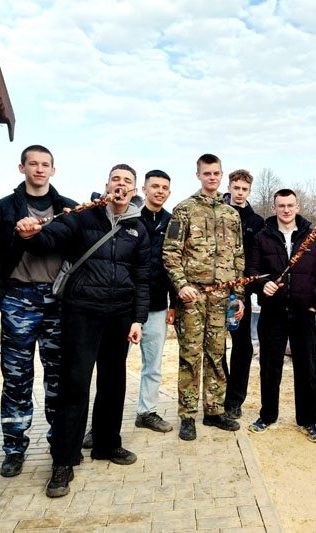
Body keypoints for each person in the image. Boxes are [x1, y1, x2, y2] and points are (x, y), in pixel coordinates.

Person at [15, 163, 150, 498]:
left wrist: (137, 319)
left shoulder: (138, 228)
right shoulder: (83, 216)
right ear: (107, 186)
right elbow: (50, 239)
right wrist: (31, 234)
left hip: (119, 316)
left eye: (128, 181)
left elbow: (142, 277)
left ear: (134, 191)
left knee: (113, 382)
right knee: (74, 386)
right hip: (82, 313)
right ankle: (64, 460)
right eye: (116, 179)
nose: (121, 185)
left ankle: (107, 443)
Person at [0, 145, 76, 478]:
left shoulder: (68, 209)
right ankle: (14, 447)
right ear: (22, 168)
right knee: (16, 378)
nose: (39, 169)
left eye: (45, 164)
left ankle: (58, 444)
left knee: (58, 377)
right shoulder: (3, 210)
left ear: (53, 170)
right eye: (33, 163)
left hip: (57, 301)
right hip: (18, 298)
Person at [163, 153, 245, 441]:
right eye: (207, 173)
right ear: (198, 175)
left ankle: (214, 410)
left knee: (217, 354)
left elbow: (238, 256)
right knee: (190, 355)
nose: (212, 177)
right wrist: (181, 285)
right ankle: (187, 415)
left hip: (222, 296)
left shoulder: (231, 214)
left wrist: (239, 295)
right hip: (193, 296)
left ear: (221, 175)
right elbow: (170, 253)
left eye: (216, 173)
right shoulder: (184, 210)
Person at [246, 189, 316, 442]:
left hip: (304, 313)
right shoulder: (262, 237)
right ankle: (267, 416)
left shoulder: (313, 237)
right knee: (270, 367)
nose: (286, 210)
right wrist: (262, 285)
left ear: (297, 206)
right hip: (273, 312)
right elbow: (251, 271)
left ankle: (309, 420)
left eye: (290, 205)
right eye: (281, 205)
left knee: (307, 368)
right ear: (274, 208)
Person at [135, 170, 176, 433]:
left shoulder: (172, 223)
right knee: (111, 365)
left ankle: (146, 412)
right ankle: (104, 420)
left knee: (153, 364)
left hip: (157, 304)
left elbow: (175, 265)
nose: (160, 191)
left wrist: (174, 304)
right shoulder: (130, 218)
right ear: (144, 189)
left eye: (164, 188)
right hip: (125, 304)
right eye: (155, 186)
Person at [223, 169, 264, 419]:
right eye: (236, 188)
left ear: (249, 191)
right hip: (214, 291)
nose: (239, 193)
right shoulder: (217, 212)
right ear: (229, 187)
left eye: (244, 189)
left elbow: (258, 259)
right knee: (216, 347)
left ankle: (234, 399)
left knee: (242, 346)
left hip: (241, 294)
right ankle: (219, 393)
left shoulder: (256, 222)